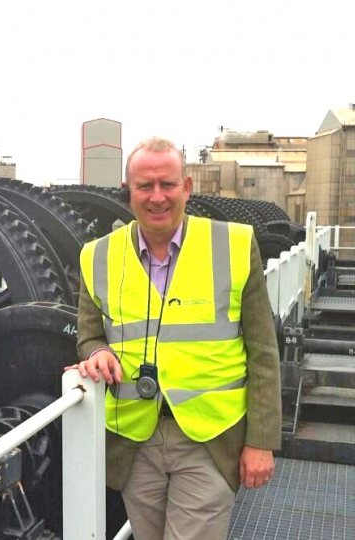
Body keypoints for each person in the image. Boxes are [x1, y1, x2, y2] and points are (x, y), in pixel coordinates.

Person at [70, 137, 281, 540]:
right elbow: (89, 334)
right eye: (144, 186)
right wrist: (96, 352)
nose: (157, 197)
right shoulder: (96, 256)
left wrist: (261, 441)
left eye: (167, 185)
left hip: (210, 436)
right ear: (128, 192)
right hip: (135, 439)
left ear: (186, 187)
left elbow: (263, 352)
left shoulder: (234, 244)